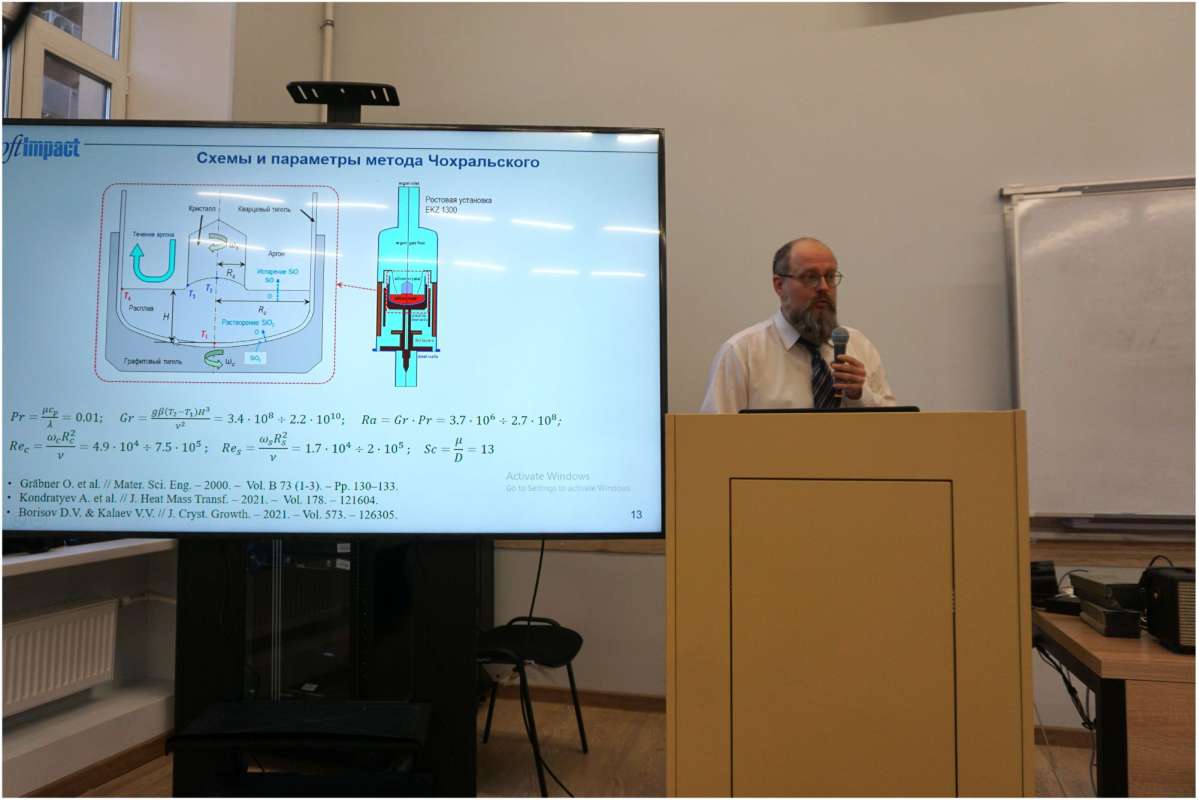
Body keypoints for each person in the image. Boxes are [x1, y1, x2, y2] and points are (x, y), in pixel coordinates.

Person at [700, 237, 896, 412]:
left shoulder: (859, 346)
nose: (824, 287)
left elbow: (894, 427)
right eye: (810, 277)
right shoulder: (741, 353)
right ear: (779, 285)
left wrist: (859, 395)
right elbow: (715, 435)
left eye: (830, 276)